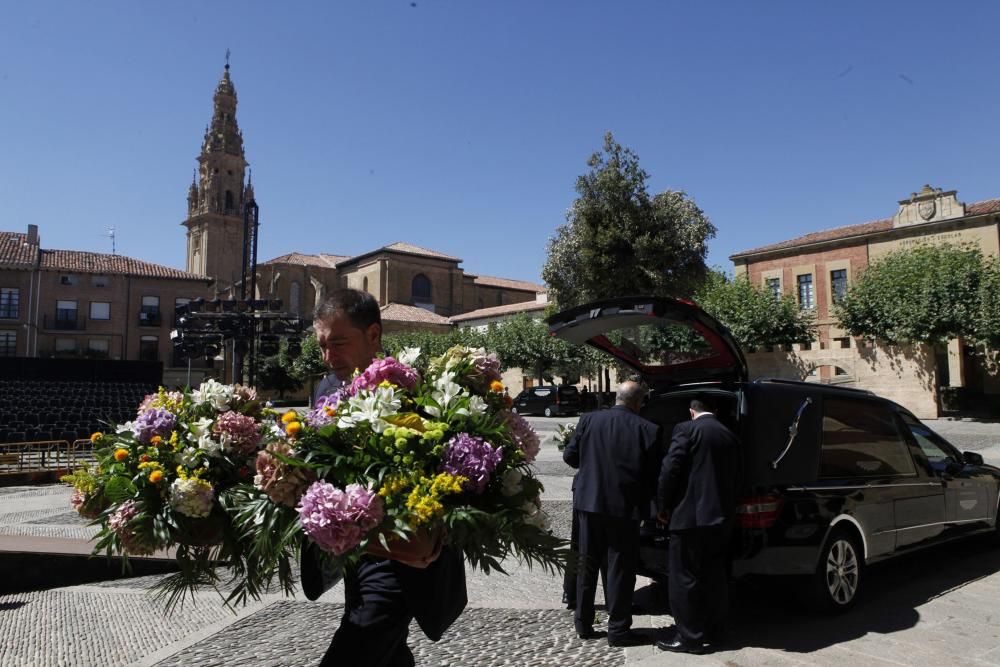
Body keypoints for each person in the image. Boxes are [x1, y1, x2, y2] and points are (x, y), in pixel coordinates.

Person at [308, 289, 467, 667]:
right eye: (322, 345)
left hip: (402, 563)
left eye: (340, 343)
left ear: (374, 336)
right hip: (357, 558)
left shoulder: (416, 390)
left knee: (355, 651)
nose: (329, 357)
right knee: (390, 655)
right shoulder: (325, 390)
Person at [562, 380, 660, 647]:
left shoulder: (589, 420)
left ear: (617, 397)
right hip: (624, 508)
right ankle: (618, 629)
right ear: (639, 403)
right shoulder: (648, 429)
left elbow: (570, 457)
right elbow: (653, 476)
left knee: (586, 562)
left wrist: (593, 464)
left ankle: (583, 623)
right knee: (619, 568)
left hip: (588, 502)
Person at [654, 398, 738, 655]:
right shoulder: (729, 435)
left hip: (688, 518)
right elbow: (738, 477)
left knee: (683, 578)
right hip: (720, 519)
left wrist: (662, 506)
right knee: (715, 576)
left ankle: (690, 637)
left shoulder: (686, 430)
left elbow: (671, 469)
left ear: (692, 411)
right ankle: (717, 631)